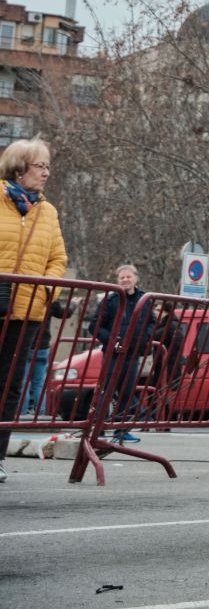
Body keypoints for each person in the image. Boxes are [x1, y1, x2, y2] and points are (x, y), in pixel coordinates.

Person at [0, 137, 67, 476]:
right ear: (19, 167)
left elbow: (58, 258)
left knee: (10, 386)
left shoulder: (48, 211)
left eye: (47, 167)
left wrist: (45, 294)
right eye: (40, 166)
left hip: (26, 313)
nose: (46, 173)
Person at [91, 264, 150, 444]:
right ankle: (98, 430)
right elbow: (94, 326)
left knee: (126, 393)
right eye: (121, 277)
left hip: (132, 355)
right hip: (113, 355)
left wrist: (143, 338)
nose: (125, 280)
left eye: (128, 276)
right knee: (106, 392)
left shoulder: (145, 300)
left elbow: (152, 324)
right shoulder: (110, 301)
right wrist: (111, 340)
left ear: (136, 278)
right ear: (117, 280)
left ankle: (121, 430)